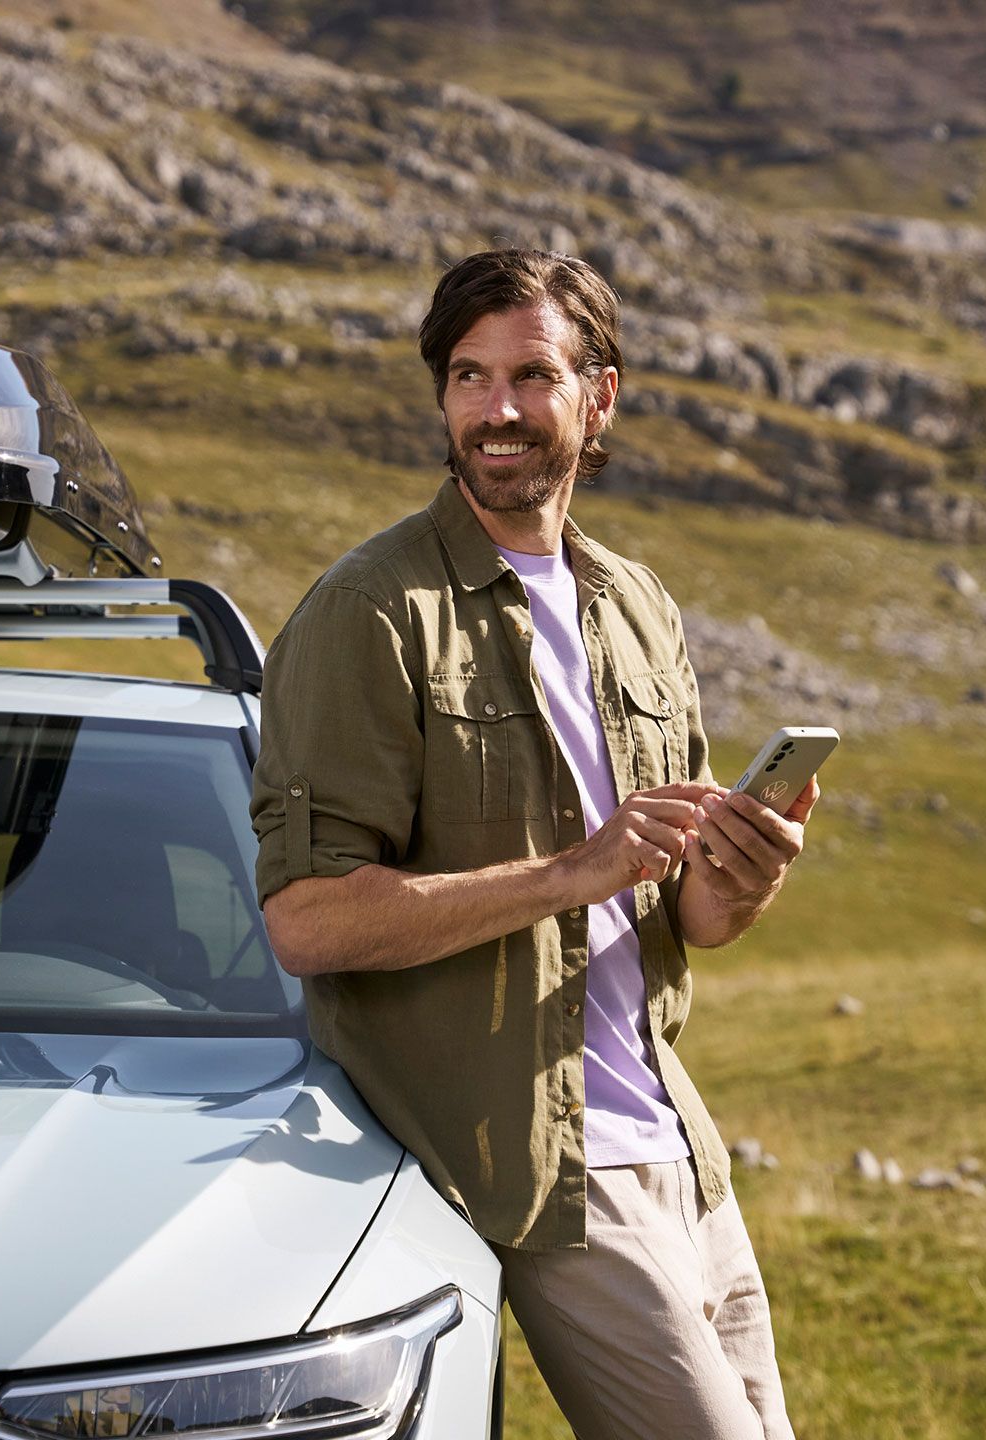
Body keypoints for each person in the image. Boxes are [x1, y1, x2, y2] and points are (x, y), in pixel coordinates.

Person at [250, 249, 817, 1440]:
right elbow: (307, 921)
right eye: (467, 377)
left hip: (675, 1138)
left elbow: (684, 921)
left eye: (530, 375)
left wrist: (741, 875)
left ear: (597, 396)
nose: (495, 410)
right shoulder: (370, 612)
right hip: (543, 1167)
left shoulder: (636, 607)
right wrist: (574, 870)